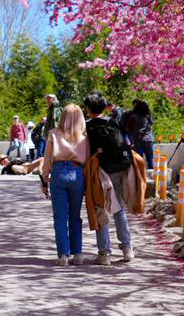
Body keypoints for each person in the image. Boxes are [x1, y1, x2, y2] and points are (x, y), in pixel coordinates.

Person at [84, 93, 135, 265]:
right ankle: (127, 248)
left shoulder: (88, 127)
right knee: (119, 208)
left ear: (88, 109)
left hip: (100, 171)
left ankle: (104, 253)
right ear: (104, 107)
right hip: (118, 169)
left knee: (101, 208)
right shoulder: (113, 123)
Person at [41, 103, 89, 267]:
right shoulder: (84, 136)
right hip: (77, 173)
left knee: (60, 218)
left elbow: (47, 159)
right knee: (75, 216)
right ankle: (78, 253)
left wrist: (44, 179)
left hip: (59, 172)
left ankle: (63, 255)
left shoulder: (53, 134)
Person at [123, 100, 154, 170]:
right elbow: (151, 124)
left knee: (139, 161)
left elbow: (127, 128)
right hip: (149, 140)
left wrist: (131, 134)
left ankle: (140, 179)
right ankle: (152, 178)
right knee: (150, 161)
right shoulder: (148, 116)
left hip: (138, 140)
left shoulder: (132, 117)